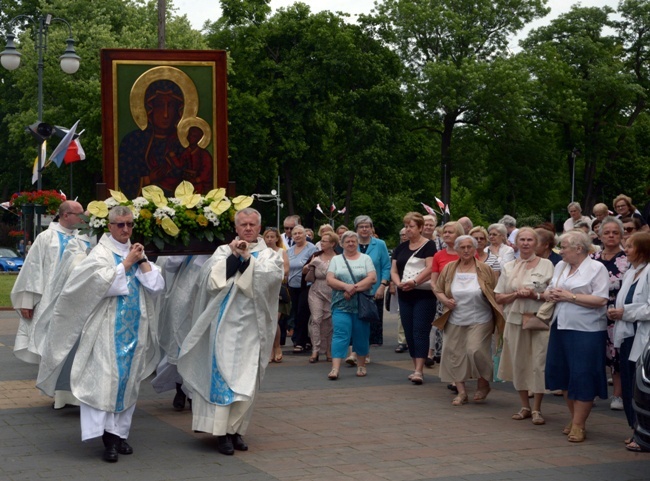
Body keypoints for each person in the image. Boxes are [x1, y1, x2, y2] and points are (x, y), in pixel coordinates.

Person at [37, 205, 164, 462]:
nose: (125, 229)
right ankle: (108, 439)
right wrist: (124, 265)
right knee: (106, 382)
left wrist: (140, 262)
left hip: (134, 330)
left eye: (129, 224)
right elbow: (88, 285)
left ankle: (120, 434)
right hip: (106, 329)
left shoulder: (136, 252)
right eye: (120, 225)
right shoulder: (100, 254)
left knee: (128, 384)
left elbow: (155, 287)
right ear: (109, 226)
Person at [177, 208, 284, 455]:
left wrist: (248, 259)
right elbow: (209, 281)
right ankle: (221, 433)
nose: (248, 228)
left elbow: (271, 279)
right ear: (236, 228)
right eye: (243, 224)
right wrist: (234, 258)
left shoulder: (269, 255)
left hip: (252, 327)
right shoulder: (222, 252)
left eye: (252, 225)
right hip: (223, 325)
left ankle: (236, 430)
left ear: (259, 228)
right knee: (224, 376)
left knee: (246, 379)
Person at [544, 230, 609, 443]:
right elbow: (550, 289)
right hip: (560, 325)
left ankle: (580, 424)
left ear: (578, 248)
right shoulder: (561, 266)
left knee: (583, 375)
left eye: (563, 247)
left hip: (586, 330)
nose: (560, 251)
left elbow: (601, 299)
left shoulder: (596, 268)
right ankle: (574, 418)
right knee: (564, 374)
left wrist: (569, 296)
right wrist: (549, 294)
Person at [11, 201, 90, 367]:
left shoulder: (85, 236)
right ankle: (49, 367)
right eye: (80, 213)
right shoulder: (46, 237)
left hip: (79, 295)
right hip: (51, 295)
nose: (84, 217)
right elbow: (33, 268)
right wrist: (27, 301)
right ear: (65, 215)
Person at [433, 235, 504, 405]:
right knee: (455, 355)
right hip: (455, 318)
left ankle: (484, 382)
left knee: (475, 350)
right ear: (456, 250)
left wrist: (500, 314)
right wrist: (444, 300)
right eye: (462, 247)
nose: (466, 250)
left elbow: (495, 291)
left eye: (469, 247)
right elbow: (438, 288)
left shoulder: (484, 268)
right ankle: (461, 392)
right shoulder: (450, 268)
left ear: (475, 249)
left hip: (481, 318)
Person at [495, 228, 554, 425]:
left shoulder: (547, 265)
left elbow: (551, 294)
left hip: (538, 320)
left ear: (536, 243)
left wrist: (533, 295)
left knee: (538, 361)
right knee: (518, 361)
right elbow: (499, 296)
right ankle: (524, 406)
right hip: (514, 320)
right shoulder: (509, 266)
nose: (526, 243)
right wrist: (515, 295)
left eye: (530, 240)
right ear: (517, 243)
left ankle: (537, 408)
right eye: (523, 240)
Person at [609, 232, 650, 452]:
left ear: (643, 249)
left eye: (631, 246)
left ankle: (643, 434)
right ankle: (635, 428)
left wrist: (625, 313)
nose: (627, 250)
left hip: (642, 336)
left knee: (640, 386)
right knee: (628, 382)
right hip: (628, 335)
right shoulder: (631, 271)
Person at [118, 79, 187, 198]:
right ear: (149, 109)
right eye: (160, 106)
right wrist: (148, 179)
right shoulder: (133, 141)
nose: (166, 114)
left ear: (178, 111)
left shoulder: (183, 142)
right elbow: (125, 181)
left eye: (170, 106)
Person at [390, 212, 437, 384]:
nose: (408, 229)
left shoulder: (429, 245)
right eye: (406, 226)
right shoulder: (401, 248)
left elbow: (431, 267)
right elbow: (394, 270)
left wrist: (415, 281)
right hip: (405, 293)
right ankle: (414, 365)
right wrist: (398, 283)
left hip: (423, 294)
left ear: (420, 228)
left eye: (411, 226)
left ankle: (419, 370)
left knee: (420, 330)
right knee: (409, 331)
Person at [326, 231, 376, 379]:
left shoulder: (365, 259)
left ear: (358, 243)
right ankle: (335, 369)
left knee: (361, 335)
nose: (351, 243)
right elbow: (330, 279)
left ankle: (361, 365)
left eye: (354, 241)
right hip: (340, 304)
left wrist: (352, 288)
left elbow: (372, 278)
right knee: (340, 335)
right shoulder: (336, 260)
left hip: (361, 306)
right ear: (342, 244)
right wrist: (345, 287)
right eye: (347, 241)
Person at [591, 217, 628, 411]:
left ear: (621, 235)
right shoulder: (592, 259)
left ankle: (618, 395)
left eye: (615, 232)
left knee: (616, 354)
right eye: (607, 232)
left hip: (616, 313)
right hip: (593, 312)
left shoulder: (627, 259)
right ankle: (595, 391)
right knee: (594, 352)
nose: (611, 236)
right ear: (600, 236)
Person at [427, 221, 464, 366]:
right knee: (443, 331)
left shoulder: (467, 253)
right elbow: (433, 282)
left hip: (465, 300)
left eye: (451, 232)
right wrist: (442, 298)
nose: (447, 235)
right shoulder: (438, 255)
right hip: (443, 300)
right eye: (445, 232)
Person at [355, 215, 391, 347]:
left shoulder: (380, 244)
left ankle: (368, 348)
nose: (364, 229)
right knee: (357, 320)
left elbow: (386, 266)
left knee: (373, 320)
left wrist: (383, 285)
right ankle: (357, 349)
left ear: (371, 229)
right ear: (356, 229)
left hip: (375, 289)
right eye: (361, 227)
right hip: (355, 288)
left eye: (367, 227)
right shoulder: (351, 243)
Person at [305, 231, 338, 363]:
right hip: (316, 291)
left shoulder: (338, 258)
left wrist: (318, 263)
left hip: (332, 292)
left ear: (332, 244)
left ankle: (328, 350)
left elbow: (331, 273)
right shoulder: (316, 255)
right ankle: (315, 350)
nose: (321, 243)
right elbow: (304, 271)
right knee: (316, 319)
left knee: (329, 323)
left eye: (324, 241)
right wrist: (309, 266)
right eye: (321, 240)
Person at [287, 225, 317, 352]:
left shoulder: (312, 248)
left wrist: (308, 267)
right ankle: (305, 340)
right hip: (292, 284)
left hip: (306, 284)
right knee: (294, 311)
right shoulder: (290, 250)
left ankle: (299, 341)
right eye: (295, 234)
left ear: (305, 235)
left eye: (300, 233)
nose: (297, 236)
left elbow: (315, 264)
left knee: (302, 312)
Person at [263, 228, 290, 363]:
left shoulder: (281, 252)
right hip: (264, 289)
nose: (269, 239)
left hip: (278, 288)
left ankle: (277, 347)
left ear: (276, 238)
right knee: (266, 320)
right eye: (267, 237)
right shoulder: (261, 253)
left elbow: (286, 269)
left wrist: (275, 276)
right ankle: (269, 349)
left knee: (274, 320)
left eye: (272, 237)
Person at [178, 125, 213, 194]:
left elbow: (207, 170)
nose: (191, 137)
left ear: (199, 138)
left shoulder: (204, 154)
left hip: (199, 185)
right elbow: (180, 165)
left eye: (194, 136)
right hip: (185, 183)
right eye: (190, 135)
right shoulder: (184, 152)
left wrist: (197, 179)